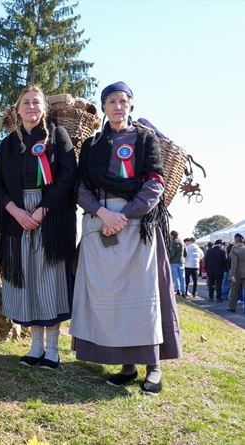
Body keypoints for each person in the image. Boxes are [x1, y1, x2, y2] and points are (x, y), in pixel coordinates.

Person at [70, 81, 182, 394]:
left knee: (143, 299)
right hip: (100, 221)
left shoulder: (145, 139)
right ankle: (127, 366)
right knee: (112, 301)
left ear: (130, 105)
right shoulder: (92, 145)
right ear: (103, 108)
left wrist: (127, 215)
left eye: (123, 101)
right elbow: (80, 186)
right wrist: (102, 214)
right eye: (112, 102)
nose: (118, 107)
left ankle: (154, 367)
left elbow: (155, 182)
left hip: (137, 224)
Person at [0, 85, 78, 370]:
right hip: (17, 219)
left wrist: (42, 210)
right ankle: (35, 346)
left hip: (51, 216)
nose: (30, 107)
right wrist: (15, 211)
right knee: (27, 281)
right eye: (25, 102)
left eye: (35, 102)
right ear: (17, 110)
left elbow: (67, 176)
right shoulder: (8, 144)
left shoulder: (57, 136)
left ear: (44, 108)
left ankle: (53, 350)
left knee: (49, 281)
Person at [228, 233, 245, 313]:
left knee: (234, 290)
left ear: (235, 240)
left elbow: (234, 263)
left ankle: (232, 307)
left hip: (237, 273)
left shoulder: (234, 249)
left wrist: (232, 275)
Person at [168, 230, 186, 295]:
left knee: (176, 277)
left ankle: (177, 290)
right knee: (182, 277)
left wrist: (169, 258)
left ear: (173, 235)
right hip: (181, 261)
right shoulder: (183, 242)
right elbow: (185, 253)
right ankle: (183, 291)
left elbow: (172, 253)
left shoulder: (173, 242)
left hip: (174, 262)